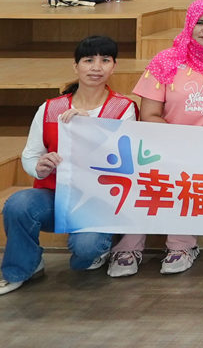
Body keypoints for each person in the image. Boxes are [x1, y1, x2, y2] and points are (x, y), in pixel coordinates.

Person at [0, 36, 139, 295]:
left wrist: (90, 129)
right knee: (18, 205)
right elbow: (30, 155)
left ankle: (99, 248)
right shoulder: (50, 108)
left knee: (85, 253)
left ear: (114, 66)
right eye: (88, 60)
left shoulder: (124, 109)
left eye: (104, 60)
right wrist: (40, 167)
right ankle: (23, 267)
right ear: (75, 66)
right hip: (55, 194)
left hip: (99, 199)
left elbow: (124, 162)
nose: (96, 67)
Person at [115, 0, 203, 275]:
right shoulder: (166, 60)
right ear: (189, 25)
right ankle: (129, 246)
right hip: (165, 143)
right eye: (200, 23)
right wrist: (179, 142)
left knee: (191, 175)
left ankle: (181, 245)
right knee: (149, 174)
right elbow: (149, 115)